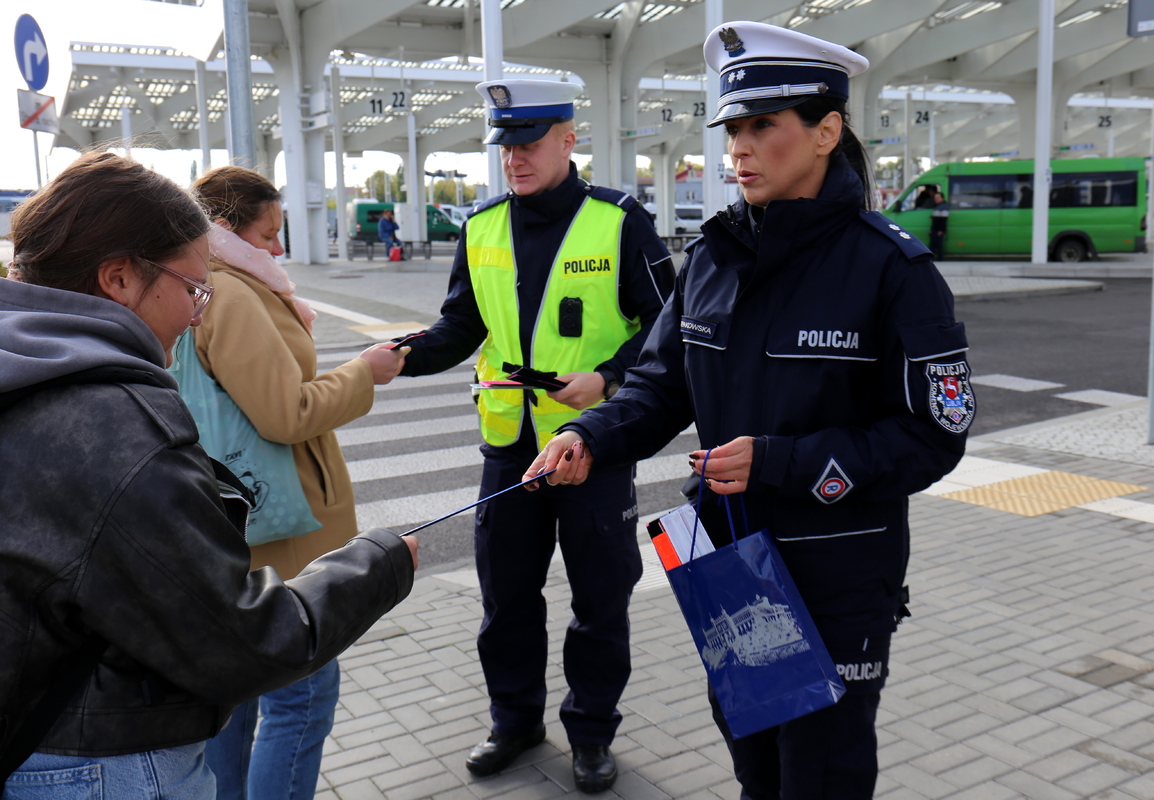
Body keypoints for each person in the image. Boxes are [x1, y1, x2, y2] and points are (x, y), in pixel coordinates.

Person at [526, 21, 974, 800]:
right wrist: (588, 435)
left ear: (826, 132)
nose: (739, 148)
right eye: (733, 129)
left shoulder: (893, 269)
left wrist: (780, 462)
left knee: (822, 775)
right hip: (730, 563)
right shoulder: (710, 258)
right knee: (755, 765)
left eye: (763, 125)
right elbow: (659, 384)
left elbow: (934, 434)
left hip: (838, 573)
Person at [0, 151, 418, 798]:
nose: (198, 315)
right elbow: (244, 643)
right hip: (108, 761)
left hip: (36, 729)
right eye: (192, 290)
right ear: (118, 277)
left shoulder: (24, 367)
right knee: (296, 704)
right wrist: (380, 562)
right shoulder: (114, 426)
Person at [396, 78, 674, 793]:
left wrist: (607, 379)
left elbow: (667, 326)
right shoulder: (482, 226)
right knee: (507, 603)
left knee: (600, 604)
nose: (514, 159)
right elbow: (461, 325)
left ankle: (592, 733)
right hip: (511, 452)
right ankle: (514, 723)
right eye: (505, 147)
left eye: (529, 144)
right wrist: (400, 356)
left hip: (591, 451)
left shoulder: (619, 220)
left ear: (568, 140)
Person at [187, 166, 400, 800]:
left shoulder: (194, 284)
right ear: (223, 228)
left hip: (227, 517)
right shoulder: (231, 293)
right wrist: (363, 373)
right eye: (269, 232)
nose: (280, 247)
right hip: (279, 527)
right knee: (300, 699)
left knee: (234, 701)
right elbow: (286, 414)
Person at [930, 191, 950, 260]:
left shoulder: (944, 207)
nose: (936, 199)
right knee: (933, 245)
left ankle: (940, 259)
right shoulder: (937, 206)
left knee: (939, 245)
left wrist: (941, 230)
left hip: (939, 230)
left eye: (938, 198)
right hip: (935, 229)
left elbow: (944, 220)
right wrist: (932, 229)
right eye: (935, 198)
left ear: (942, 198)